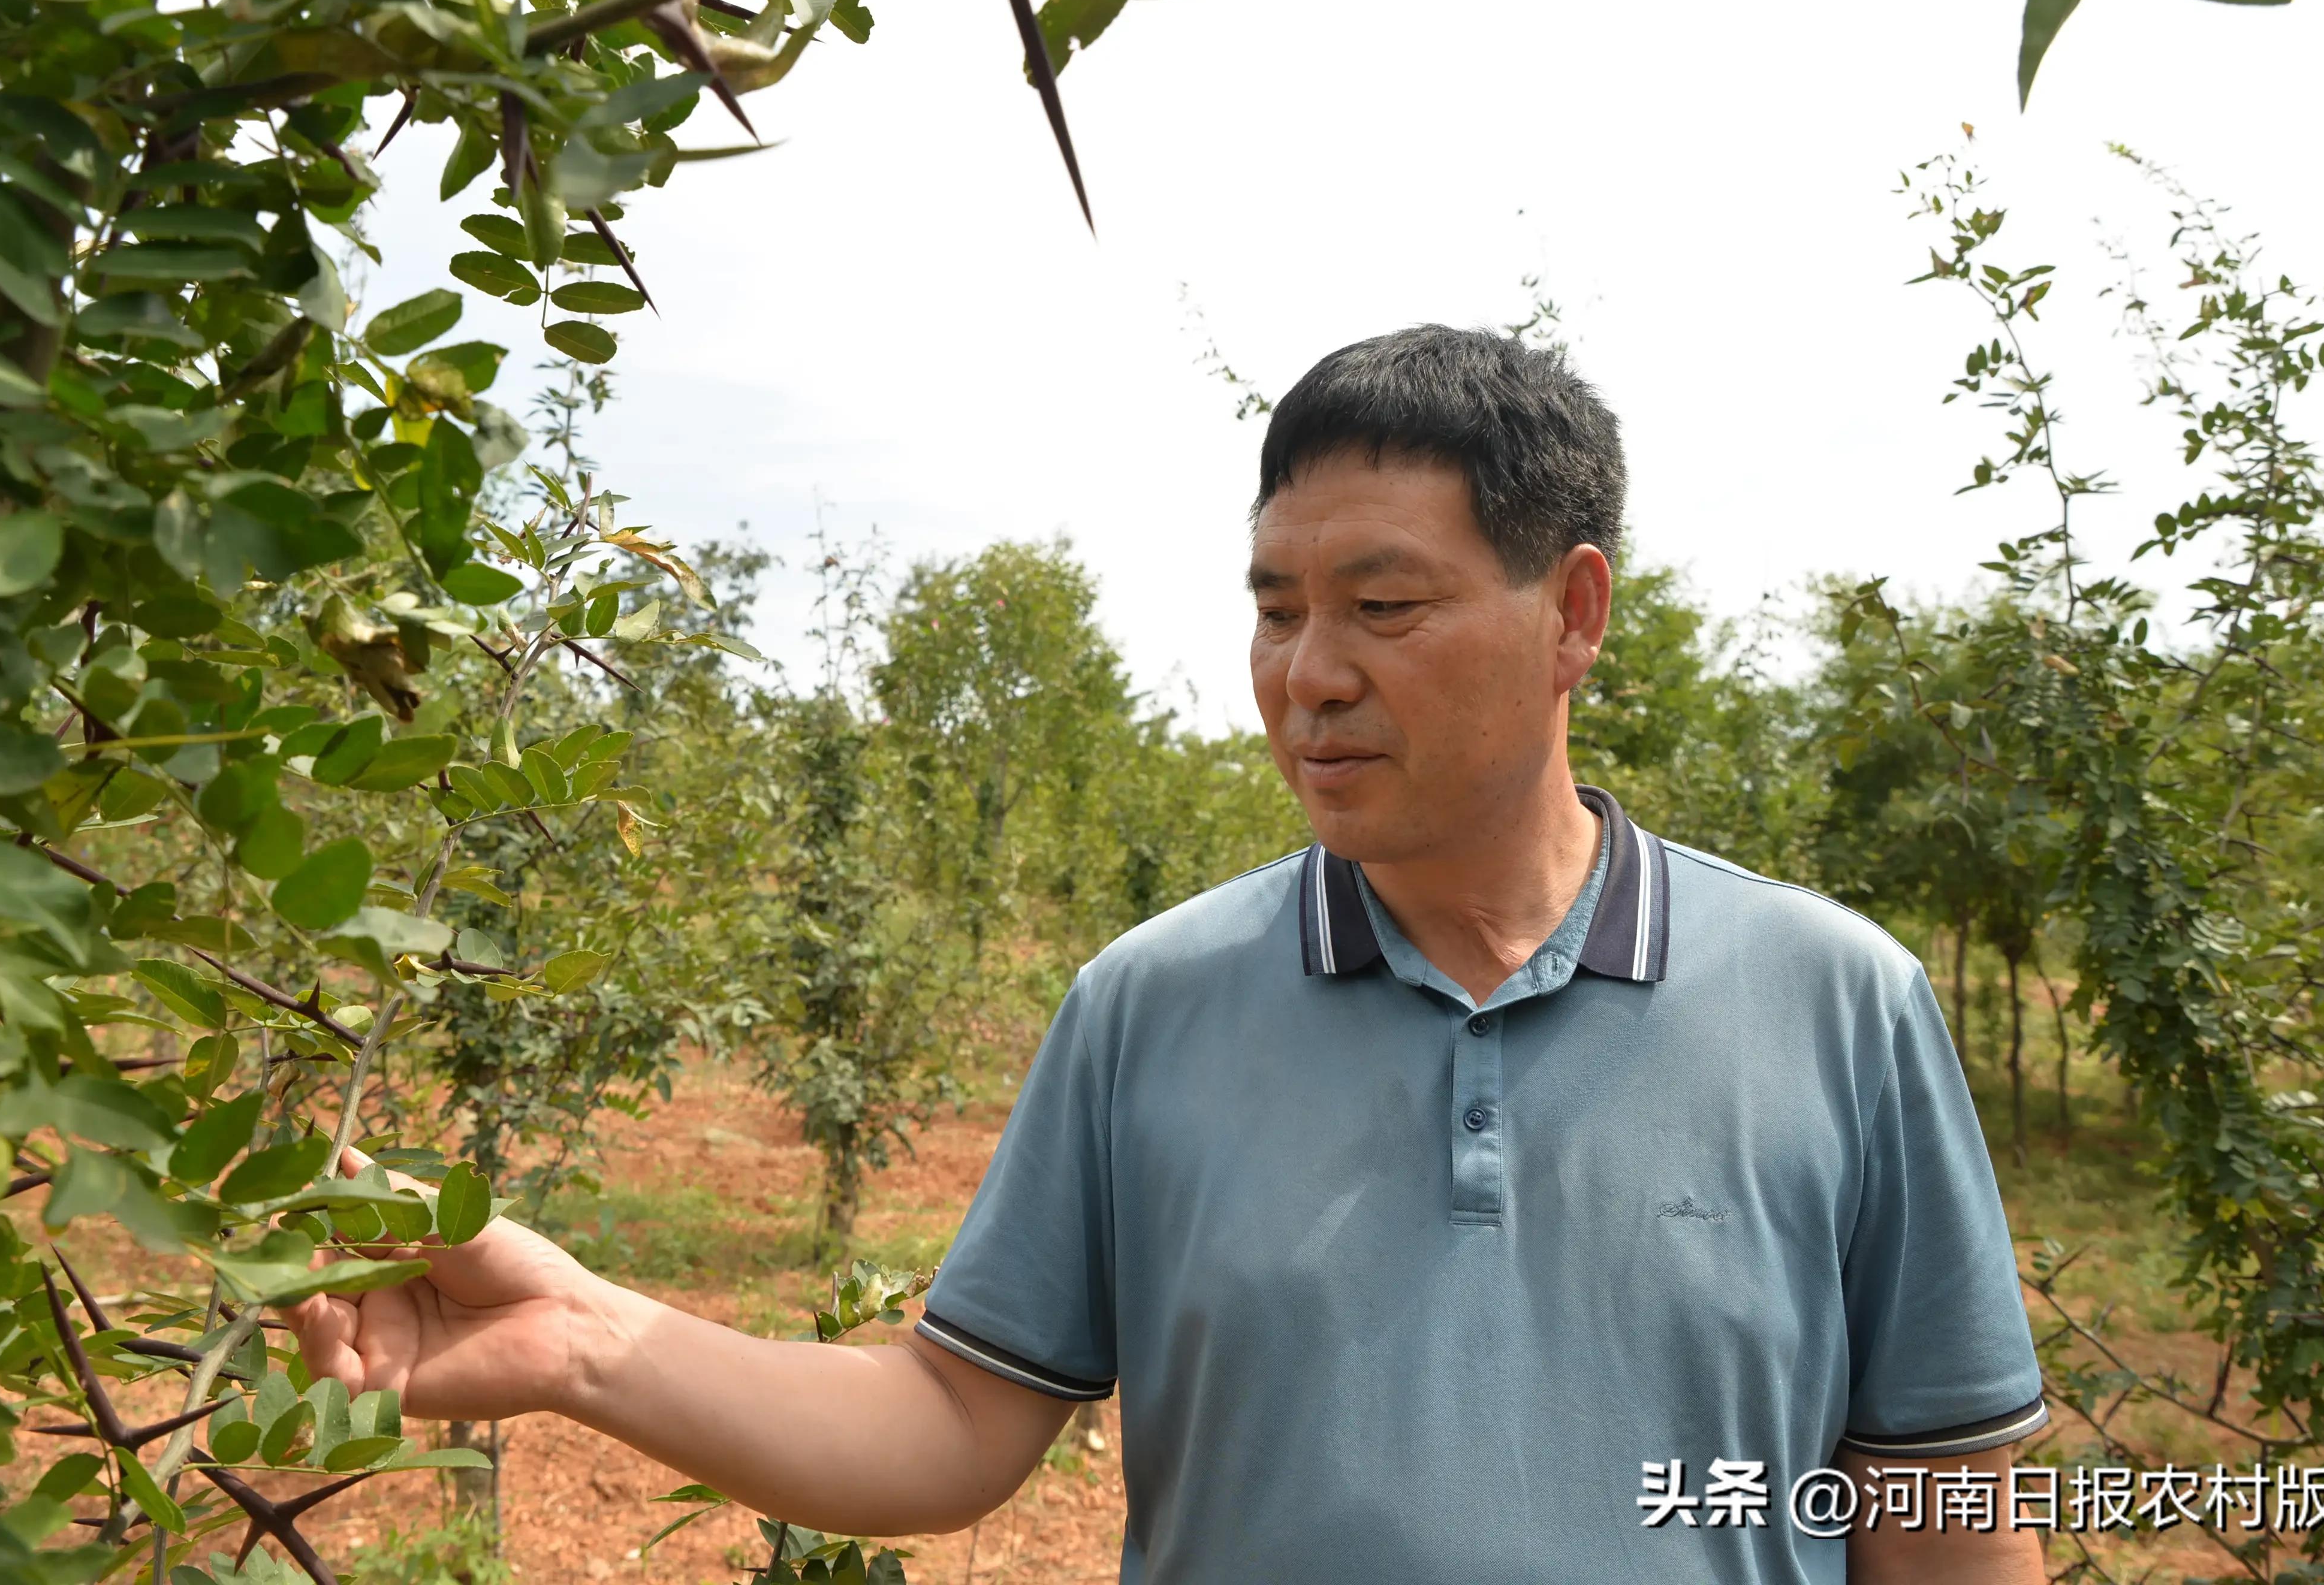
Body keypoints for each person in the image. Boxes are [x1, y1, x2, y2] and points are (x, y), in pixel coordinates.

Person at [290, 326, 2047, 1584]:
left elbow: (1945, 1513)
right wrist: (589, 1341)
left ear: (1572, 613)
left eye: (1384, 605)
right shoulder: (1152, 1006)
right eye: (1276, 610)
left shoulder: (1834, 1003)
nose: (1309, 675)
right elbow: (953, 1424)